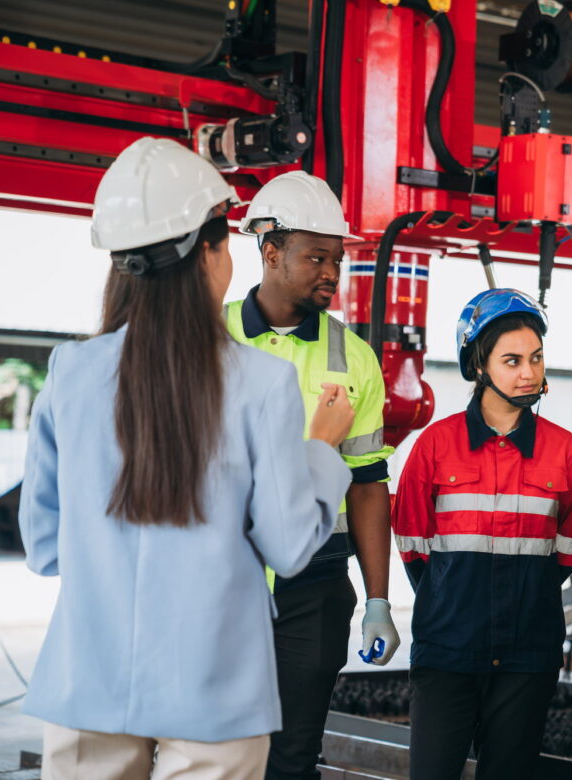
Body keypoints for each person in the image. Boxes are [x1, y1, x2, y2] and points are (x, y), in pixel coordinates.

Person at [18, 137, 354, 779]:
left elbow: (45, 547)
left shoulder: (70, 373)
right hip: (216, 688)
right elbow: (288, 547)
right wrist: (322, 451)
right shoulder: (261, 384)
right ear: (209, 253)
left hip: (87, 680)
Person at [225, 170, 398, 780]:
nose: (331, 271)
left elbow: (369, 483)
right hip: (224, 578)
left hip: (315, 583)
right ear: (270, 252)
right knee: (215, 748)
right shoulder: (206, 336)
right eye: (316, 257)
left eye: (339, 258)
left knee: (294, 755)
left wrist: (378, 598)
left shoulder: (354, 358)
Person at [391, 288, 572, 780]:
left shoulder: (563, 450)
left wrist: (521, 594)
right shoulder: (435, 445)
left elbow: (569, 548)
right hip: (447, 651)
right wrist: (453, 597)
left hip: (528, 654)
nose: (529, 372)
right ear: (479, 365)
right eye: (513, 360)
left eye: (536, 358)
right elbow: (412, 543)